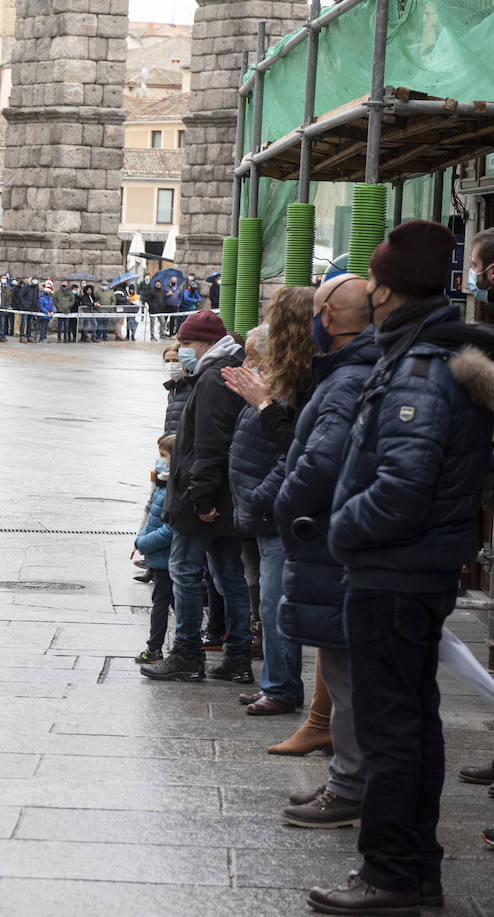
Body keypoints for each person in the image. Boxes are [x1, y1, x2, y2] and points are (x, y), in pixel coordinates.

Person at [308, 221, 494, 914]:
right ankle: (417, 871)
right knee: (414, 724)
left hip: (394, 572)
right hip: (416, 571)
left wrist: (342, 528)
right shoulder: (431, 350)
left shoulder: (419, 366)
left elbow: (403, 484)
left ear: (384, 288)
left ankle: (387, 873)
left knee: (393, 730)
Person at [262, 275, 376, 839]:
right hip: (339, 542)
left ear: (327, 316)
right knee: (341, 665)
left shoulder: (345, 379)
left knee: (348, 673)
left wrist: (285, 509)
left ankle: (350, 785)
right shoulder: (351, 373)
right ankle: (344, 776)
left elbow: (318, 461)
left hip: (333, 541)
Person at [140, 309, 253, 684]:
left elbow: (209, 445)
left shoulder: (211, 379)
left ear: (203, 342)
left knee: (185, 574)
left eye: (185, 344)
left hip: (202, 499)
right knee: (229, 576)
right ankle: (237, 656)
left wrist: (201, 499)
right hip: (226, 495)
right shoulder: (229, 369)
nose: (182, 351)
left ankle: (187, 653)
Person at [225, 301, 312, 718]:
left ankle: (280, 687)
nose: (246, 361)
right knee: (269, 602)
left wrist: (261, 495)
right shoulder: (271, 389)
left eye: (253, 355)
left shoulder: (287, 392)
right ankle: (277, 683)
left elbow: (291, 451)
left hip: (273, 511)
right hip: (262, 512)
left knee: (276, 603)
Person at [134, 434, 176, 663]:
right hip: (161, 557)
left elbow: (168, 530)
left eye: (163, 456)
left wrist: (143, 543)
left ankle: (154, 649)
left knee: (161, 603)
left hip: (165, 558)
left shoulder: (171, 489)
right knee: (173, 601)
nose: (158, 460)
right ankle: (190, 644)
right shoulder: (163, 485)